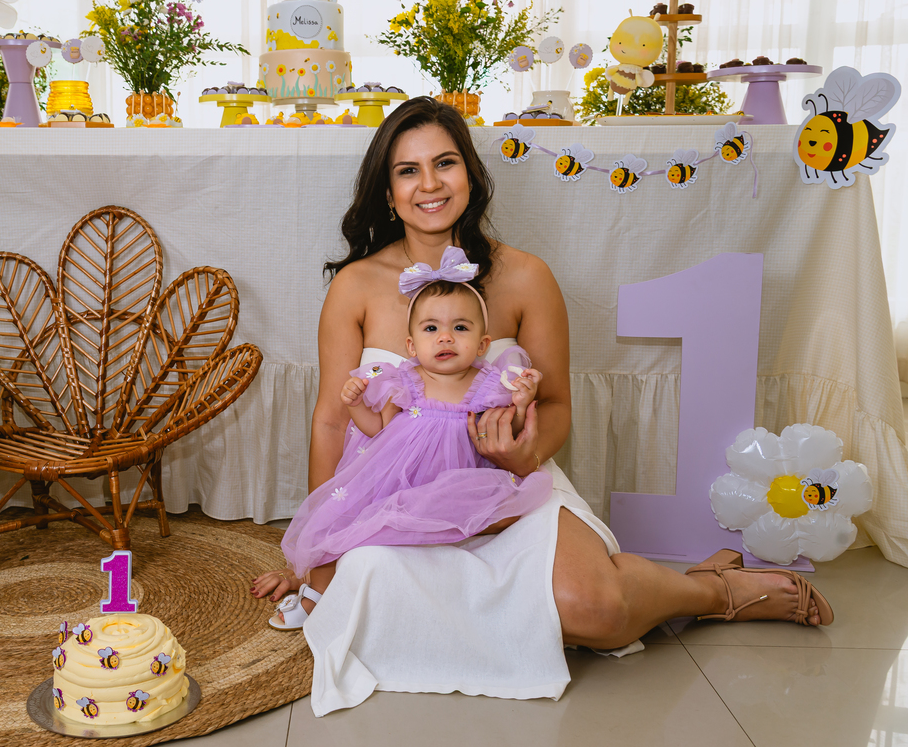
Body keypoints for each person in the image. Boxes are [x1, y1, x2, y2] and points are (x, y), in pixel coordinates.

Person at [252, 96, 831, 659]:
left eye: (445, 163)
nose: (429, 184)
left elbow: (554, 406)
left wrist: (521, 456)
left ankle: (712, 589)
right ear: (388, 191)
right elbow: (332, 419)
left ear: (472, 176)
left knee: (593, 610)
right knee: (367, 611)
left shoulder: (528, 277)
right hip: (389, 501)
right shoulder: (354, 285)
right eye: (409, 170)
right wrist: (313, 547)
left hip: (507, 487)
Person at [270, 256, 552, 629]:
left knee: (475, 535)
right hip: (399, 481)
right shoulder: (402, 382)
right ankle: (319, 594)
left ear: (483, 343)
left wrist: (518, 404)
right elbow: (378, 430)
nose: (445, 337)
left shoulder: (488, 385)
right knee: (345, 522)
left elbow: (507, 432)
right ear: (411, 344)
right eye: (431, 328)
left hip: (458, 485)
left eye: (461, 328)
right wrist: (354, 404)